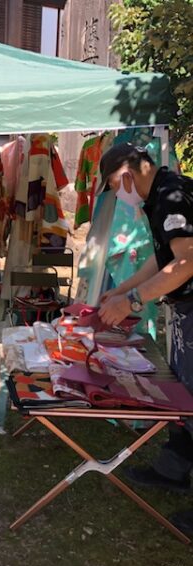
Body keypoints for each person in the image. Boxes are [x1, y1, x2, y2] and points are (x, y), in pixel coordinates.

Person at [97, 143, 193, 535]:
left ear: (126, 177)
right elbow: (163, 257)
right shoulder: (162, 195)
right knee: (182, 391)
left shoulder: (170, 196)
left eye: (114, 187)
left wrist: (132, 300)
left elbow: (187, 262)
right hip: (185, 311)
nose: (119, 195)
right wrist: (123, 292)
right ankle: (173, 468)